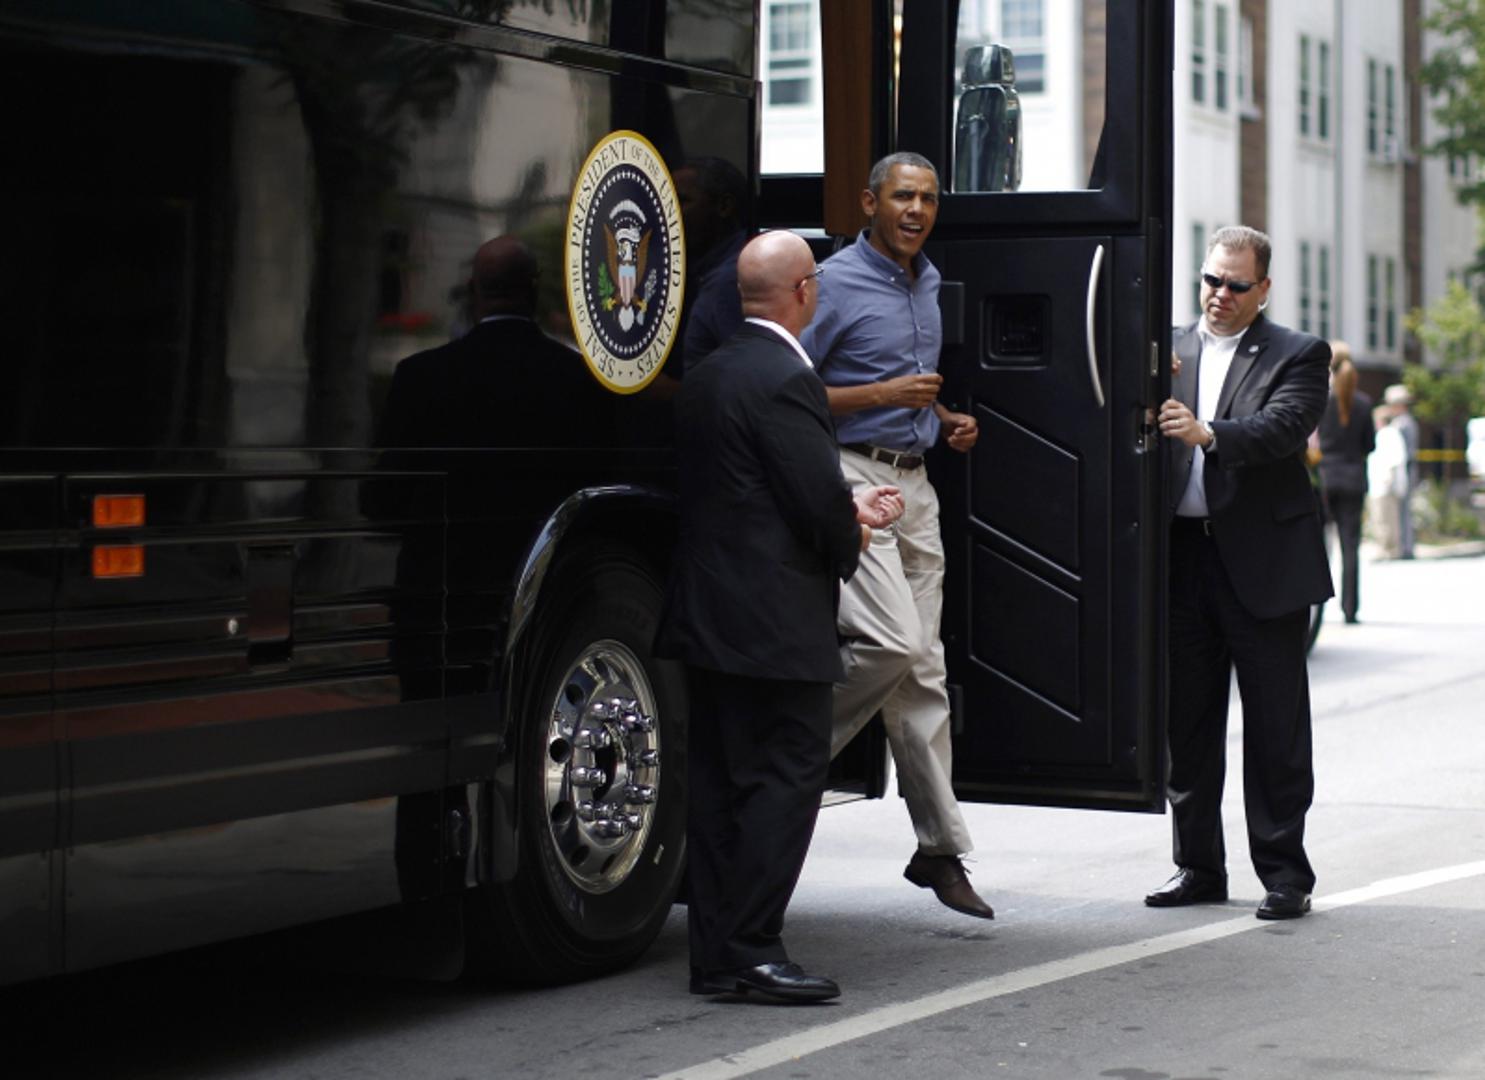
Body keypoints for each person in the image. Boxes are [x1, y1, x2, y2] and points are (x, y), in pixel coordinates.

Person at [655, 231, 904, 1003]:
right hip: (774, 620)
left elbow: (745, 489)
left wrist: (844, 503)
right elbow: (808, 501)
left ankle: (715, 954)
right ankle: (753, 949)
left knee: (720, 785)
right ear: (803, 291)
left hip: (708, 614)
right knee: (783, 781)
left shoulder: (709, 372)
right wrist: (853, 528)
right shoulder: (787, 378)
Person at [802, 152, 994, 921]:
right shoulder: (832, 282)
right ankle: (784, 757)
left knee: (925, 668)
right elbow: (787, 389)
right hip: (852, 478)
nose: (916, 210)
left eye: (927, 199)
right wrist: (885, 393)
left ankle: (938, 849)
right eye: (902, 197)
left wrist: (942, 418)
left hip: (916, 482)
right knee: (892, 645)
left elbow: (908, 391)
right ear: (868, 202)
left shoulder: (925, 280)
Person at [1150, 224, 1333, 920]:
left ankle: (1285, 875)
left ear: (1263, 289)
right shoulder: (1164, 348)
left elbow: (1283, 428)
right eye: (1210, 280)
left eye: (1235, 284)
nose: (1218, 294)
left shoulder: (1298, 353)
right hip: (1183, 558)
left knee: (1275, 728)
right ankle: (1197, 867)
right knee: (1187, 724)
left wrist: (1208, 433)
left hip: (1264, 565)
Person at [1316, 343, 1376, 623]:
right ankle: (1350, 609)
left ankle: (1316, 609)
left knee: (1318, 546)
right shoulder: (1363, 403)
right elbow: (1370, 445)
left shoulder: (1321, 401)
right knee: (1350, 547)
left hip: (1325, 477)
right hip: (1353, 478)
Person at [1383, 383, 1419, 558]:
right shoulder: (1400, 423)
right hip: (1401, 470)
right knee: (1400, 510)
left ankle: (1406, 547)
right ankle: (1403, 546)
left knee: (1404, 510)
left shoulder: (1405, 424)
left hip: (1405, 471)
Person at [1368, 404, 1409, 558]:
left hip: (1384, 484)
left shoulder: (1388, 434)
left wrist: (1389, 481)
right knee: (1383, 519)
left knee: (1385, 519)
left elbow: (1394, 460)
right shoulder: (1385, 434)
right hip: (1380, 484)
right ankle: (1388, 549)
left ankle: (1388, 550)